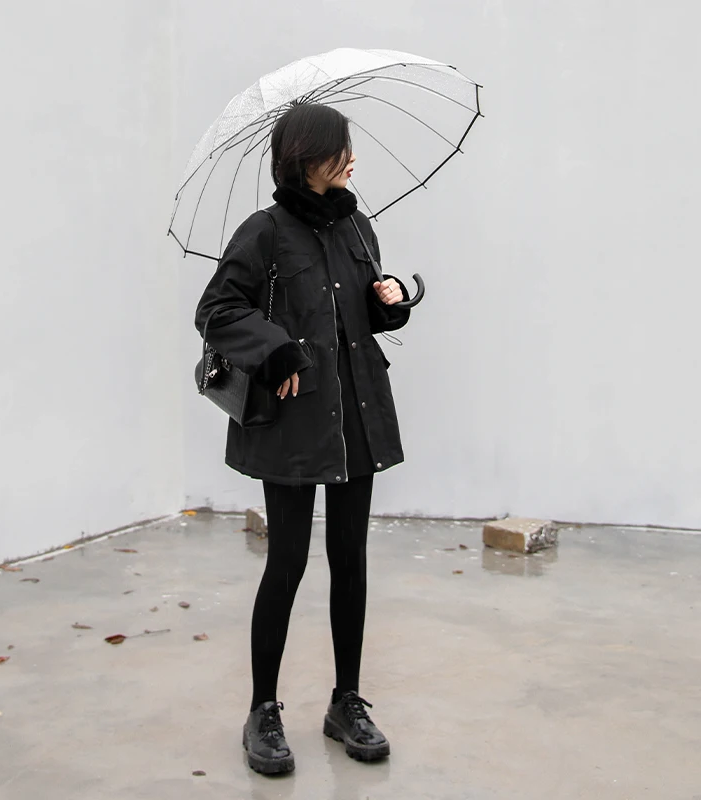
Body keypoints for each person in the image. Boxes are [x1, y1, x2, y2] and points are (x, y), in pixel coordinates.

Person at [194, 102, 412, 775]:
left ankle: (346, 702)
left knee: (351, 560)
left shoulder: (356, 225)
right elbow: (216, 310)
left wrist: (390, 299)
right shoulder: (263, 233)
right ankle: (262, 710)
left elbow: (360, 315)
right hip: (293, 422)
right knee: (286, 563)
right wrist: (275, 348)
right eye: (341, 149)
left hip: (357, 414)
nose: (352, 160)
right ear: (306, 158)